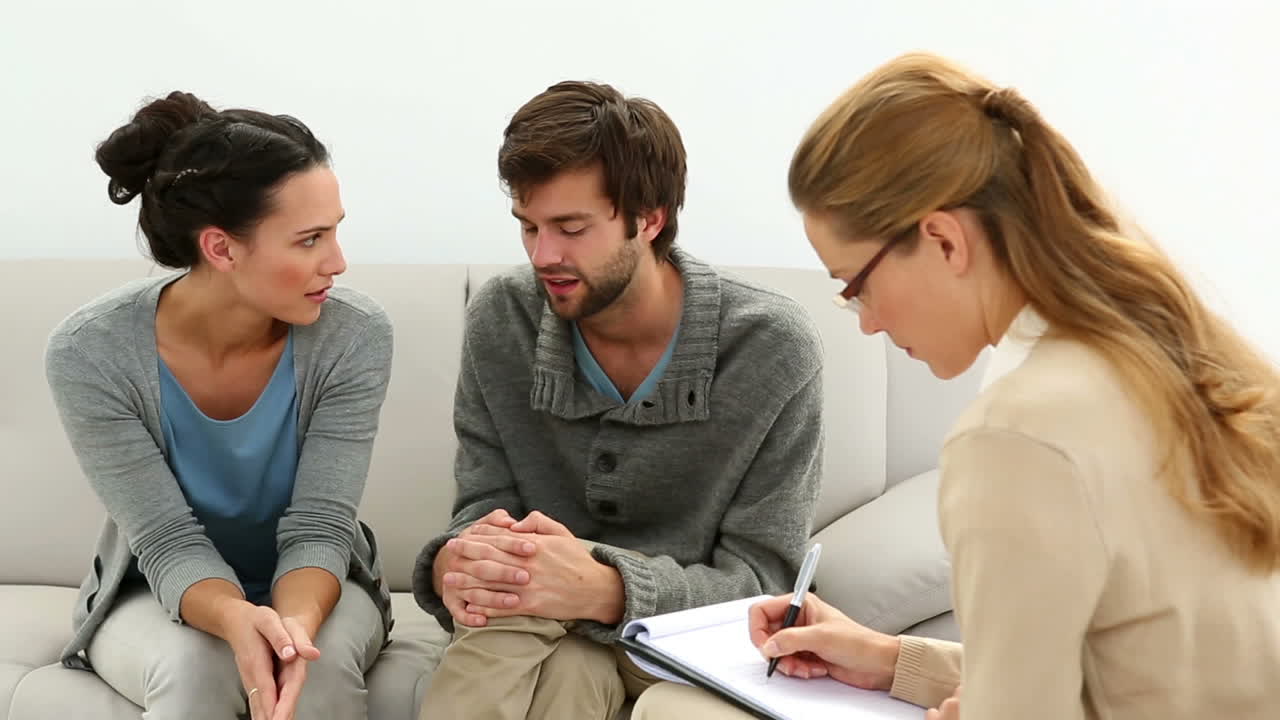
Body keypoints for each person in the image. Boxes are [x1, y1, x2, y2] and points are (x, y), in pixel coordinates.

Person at [634, 52, 1280, 720]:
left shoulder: (1016, 433)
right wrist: (890, 661)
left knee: (673, 710)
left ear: (944, 240)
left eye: (857, 285)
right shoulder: (1167, 356)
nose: (869, 323)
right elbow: (1134, 663)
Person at [410, 80, 825, 720]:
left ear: (649, 217)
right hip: (537, 624)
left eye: (571, 227)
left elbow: (763, 584)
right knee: (556, 668)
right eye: (528, 227)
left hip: (692, 646)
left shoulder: (768, 349)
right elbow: (482, 511)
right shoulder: (503, 319)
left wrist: (606, 588)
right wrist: (458, 565)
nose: (543, 255)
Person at [46, 91, 395, 720]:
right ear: (222, 248)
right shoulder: (89, 352)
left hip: (320, 585)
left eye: (335, 231)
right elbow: (166, 541)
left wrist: (286, 631)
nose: (338, 262)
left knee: (309, 670)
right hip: (154, 593)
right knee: (194, 672)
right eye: (310, 238)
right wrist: (237, 619)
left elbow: (320, 525)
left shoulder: (354, 336)